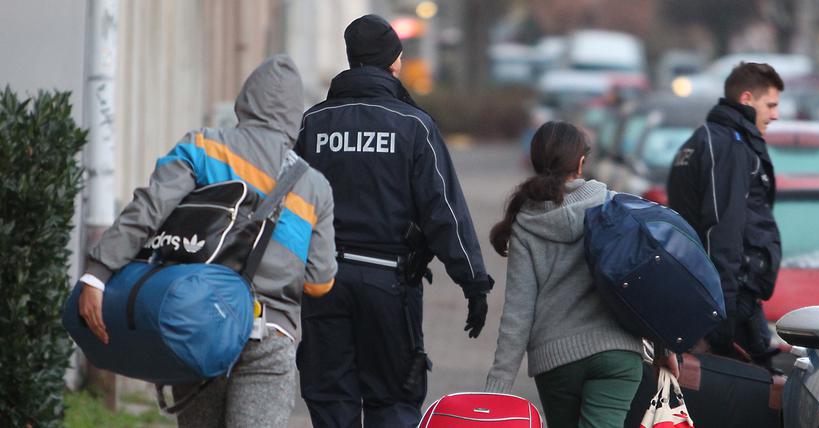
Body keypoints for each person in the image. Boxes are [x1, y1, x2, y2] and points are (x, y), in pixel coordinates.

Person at [75, 55, 338, 427]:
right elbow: (319, 282)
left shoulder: (203, 146)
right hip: (269, 336)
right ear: (296, 115)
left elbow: (149, 209)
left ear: (245, 100)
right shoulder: (313, 186)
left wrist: (97, 273)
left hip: (198, 324)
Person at [293, 14, 494, 428]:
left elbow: (292, 204)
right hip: (389, 285)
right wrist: (473, 281)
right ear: (393, 62)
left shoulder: (314, 122)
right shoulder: (412, 125)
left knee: (331, 399)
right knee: (393, 403)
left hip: (323, 281)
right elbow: (444, 212)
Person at [485, 121, 652, 428]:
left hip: (557, 361)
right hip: (617, 353)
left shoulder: (526, 221)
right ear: (580, 162)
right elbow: (647, 281)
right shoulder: (612, 204)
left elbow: (518, 313)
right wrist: (664, 347)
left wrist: (497, 388)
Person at [667, 62, 783, 368]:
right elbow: (721, 231)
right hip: (726, 306)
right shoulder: (728, 147)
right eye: (770, 105)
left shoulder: (708, 140)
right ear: (746, 99)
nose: (775, 115)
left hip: (717, 299)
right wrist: (724, 315)